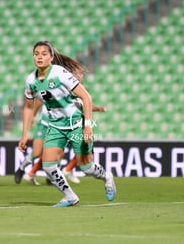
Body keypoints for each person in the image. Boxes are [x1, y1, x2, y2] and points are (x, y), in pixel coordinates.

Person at [18, 40, 116, 207]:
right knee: (48, 167)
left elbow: (86, 97)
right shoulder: (31, 81)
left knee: (86, 168)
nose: (39, 57)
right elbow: (28, 107)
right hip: (55, 126)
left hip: (76, 123)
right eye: (36, 54)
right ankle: (70, 197)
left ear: (51, 57)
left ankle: (107, 177)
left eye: (44, 54)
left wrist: (87, 126)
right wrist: (24, 135)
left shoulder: (60, 73)